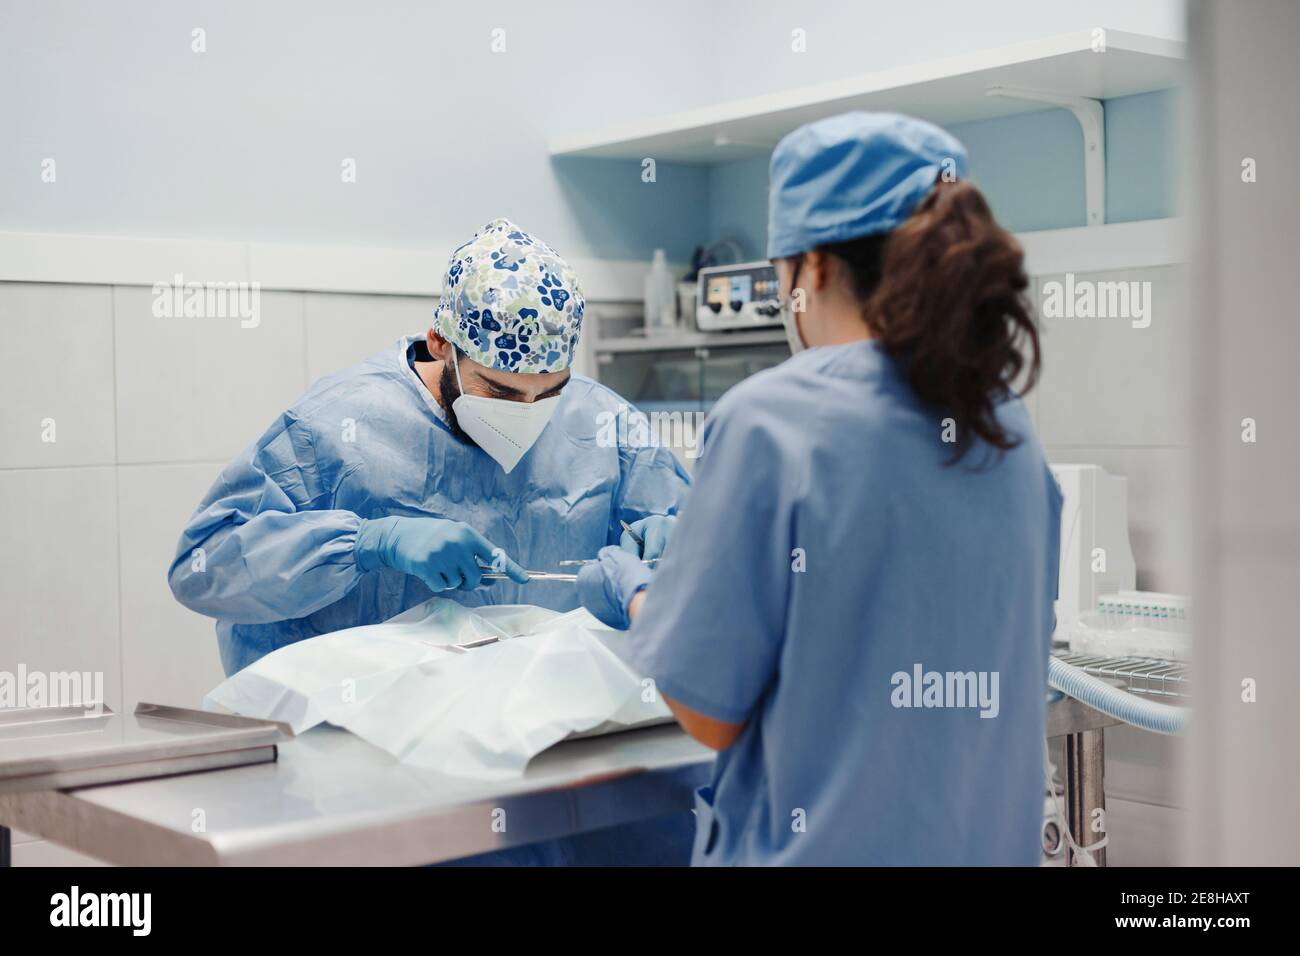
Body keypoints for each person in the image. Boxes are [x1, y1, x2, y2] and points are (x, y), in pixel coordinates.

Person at [576, 112, 1063, 866]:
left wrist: (646, 600)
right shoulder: (1006, 423)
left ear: (815, 268)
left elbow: (704, 716)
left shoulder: (774, 421)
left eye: (779, 274)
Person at [169, 217, 693, 865]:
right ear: (441, 342)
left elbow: (693, 546)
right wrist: (365, 542)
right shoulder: (339, 426)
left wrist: (669, 551)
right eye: (500, 391)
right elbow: (204, 566)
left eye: (546, 393)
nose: (526, 413)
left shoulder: (601, 421)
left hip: (552, 753)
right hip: (378, 771)